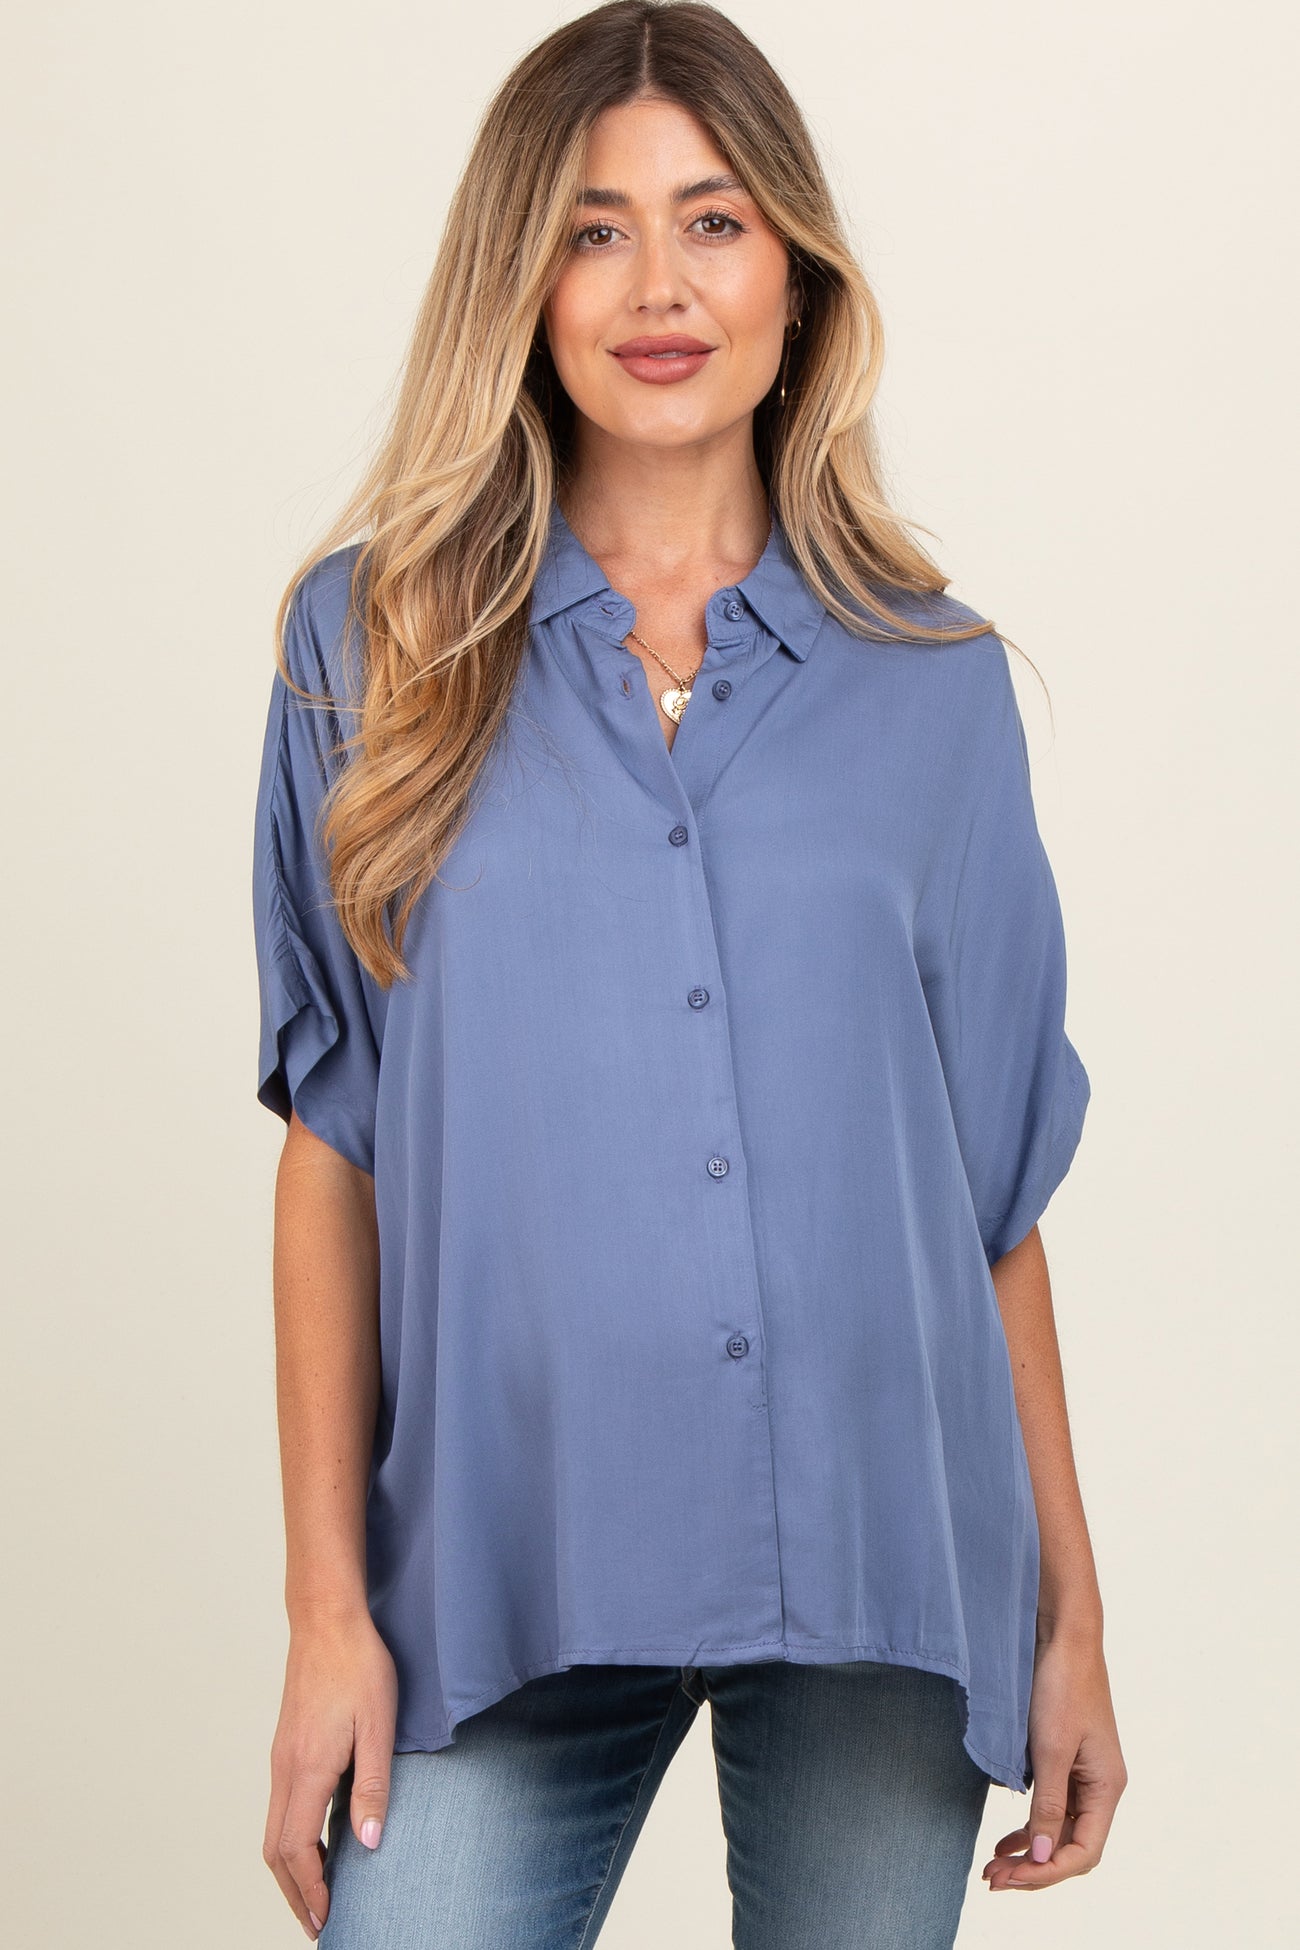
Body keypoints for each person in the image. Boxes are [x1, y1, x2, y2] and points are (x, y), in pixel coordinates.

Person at [253, 4, 1127, 1944]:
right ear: (523, 283)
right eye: (593, 229)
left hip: (882, 1563)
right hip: (502, 1564)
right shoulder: (368, 650)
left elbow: (988, 1200)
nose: (658, 285)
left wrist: (1070, 1617)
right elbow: (334, 1147)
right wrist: (326, 1616)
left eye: (713, 221)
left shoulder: (933, 685)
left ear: (794, 279)